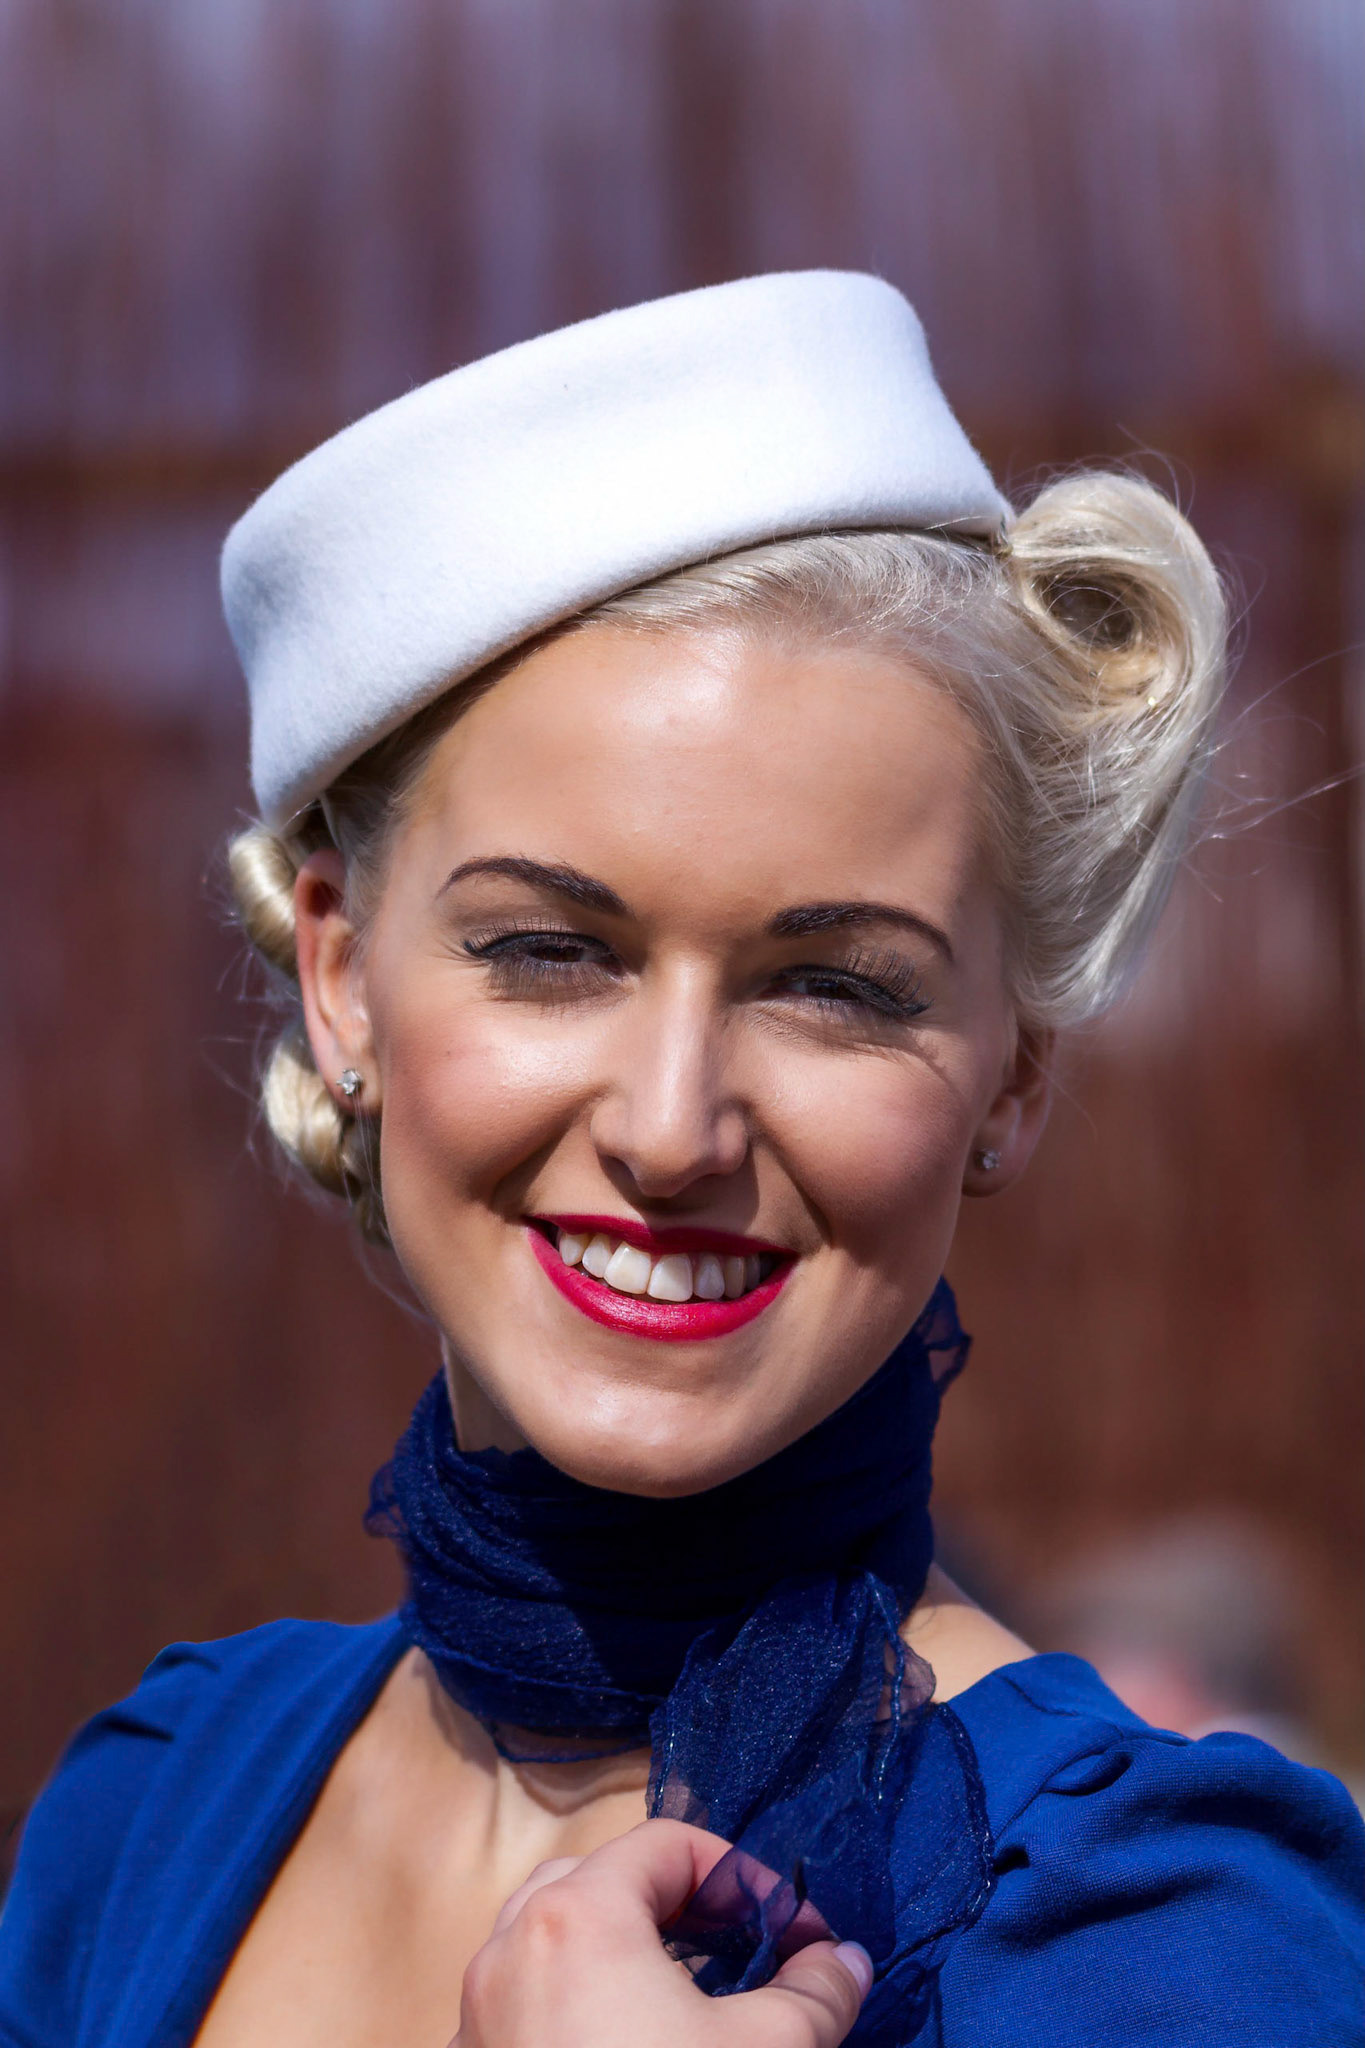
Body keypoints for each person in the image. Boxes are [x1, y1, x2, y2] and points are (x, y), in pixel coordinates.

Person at [0, 272, 1360, 2048]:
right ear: (338, 970)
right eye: (549, 951)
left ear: (1012, 1072)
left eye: (832, 985)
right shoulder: (142, 1821)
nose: (668, 1128)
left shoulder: (1170, 1946)